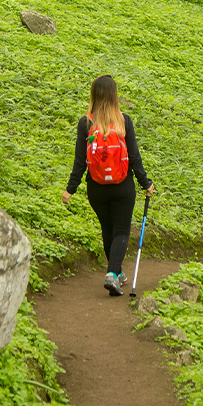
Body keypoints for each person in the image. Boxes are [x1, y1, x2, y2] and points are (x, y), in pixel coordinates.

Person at [63, 75, 156, 296]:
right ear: (115, 95)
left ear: (94, 95)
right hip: (122, 186)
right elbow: (134, 157)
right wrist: (146, 183)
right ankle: (112, 274)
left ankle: (117, 272)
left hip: (96, 189)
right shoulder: (124, 121)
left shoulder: (86, 123)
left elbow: (80, 161)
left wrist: (70, 189)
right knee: (122, 230)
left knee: (108, 229)